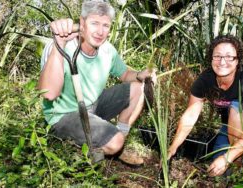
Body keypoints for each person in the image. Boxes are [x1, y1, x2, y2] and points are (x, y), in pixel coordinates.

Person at [38, 0, 156, 165]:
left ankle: (118, 143)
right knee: (114, 141)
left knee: (137, 88)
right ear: (82, 23)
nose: (100, 31)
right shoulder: (59, 47)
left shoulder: (107, 50)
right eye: (94, 23)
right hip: (64, 116)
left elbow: (125, 74)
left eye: (106, 26)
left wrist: (140, 74)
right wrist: (59, 44)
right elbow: (49, 94)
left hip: (92, 107)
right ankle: (84, 149)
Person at [167, 35, 243, 176]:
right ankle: (239, 153)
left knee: (235, 106)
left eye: (229, 57)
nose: (222, 62)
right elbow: (190, 115)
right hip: (230, 124)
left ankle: (240, 154)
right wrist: (173, 147)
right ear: (211, 58)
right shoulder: (205, 80)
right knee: (217, 170)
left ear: (237, 60)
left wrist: (228, 158)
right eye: (217, 56)